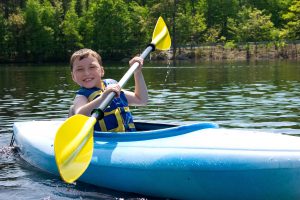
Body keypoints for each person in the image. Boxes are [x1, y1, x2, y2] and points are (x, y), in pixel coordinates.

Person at [68, 48, 148, 132]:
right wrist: (103, 97)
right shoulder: (81, 96)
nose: (87, 73)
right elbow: (80, 115)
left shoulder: (112, 87)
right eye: (80, 69)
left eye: (92, 67)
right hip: (104, 140)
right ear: (73, 77)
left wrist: (137, 72)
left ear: (102, 71)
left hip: (129, 138)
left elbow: (141, 100)